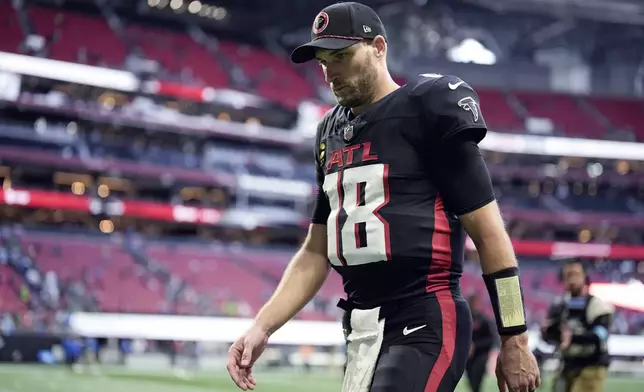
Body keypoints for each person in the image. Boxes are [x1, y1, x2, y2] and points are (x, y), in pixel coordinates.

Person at [226, 2, 540, 391]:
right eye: (323, 61)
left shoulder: (427, 107)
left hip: (425, 317)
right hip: (361, 328)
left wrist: (515, 338)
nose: (330, 73)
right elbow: (314, 251)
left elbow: (491, 235)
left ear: (378, 46)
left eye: (341, 56)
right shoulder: (329, 132)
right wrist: (262, 326)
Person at [541, 259, 613, 392]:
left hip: (592, 365)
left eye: (575, 274)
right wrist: (549, 333)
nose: (572, 279)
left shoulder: (597, 306)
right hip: (566, 364)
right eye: (568, 275)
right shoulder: (559, 306)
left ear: (585, 277)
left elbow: (601, 336)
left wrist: (572, 337)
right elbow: (548, 336)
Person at [466, 295, 497, 392]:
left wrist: (475, 346)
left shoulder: (484, 320)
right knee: (470, 378)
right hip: (468, 355)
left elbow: (491, 339)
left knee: (477, 379)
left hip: (481, 355)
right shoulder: (465, 319)